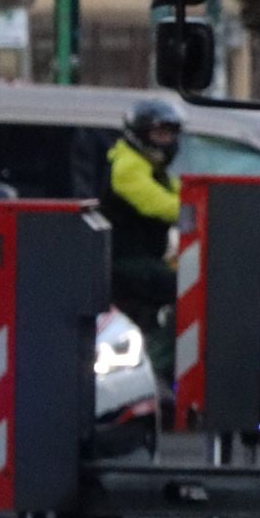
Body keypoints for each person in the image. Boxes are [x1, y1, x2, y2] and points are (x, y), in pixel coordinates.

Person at [100, 98, 183, 388]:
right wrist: (201, 210)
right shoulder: (128, 167)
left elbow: (181, 194)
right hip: (125, 262)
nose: (167, 141)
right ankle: (159, 369)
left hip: (144, 259)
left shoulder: (151, 167)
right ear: (139, 134)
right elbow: (162, 206)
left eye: (171, 134)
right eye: (159, 134)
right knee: (187, 292)